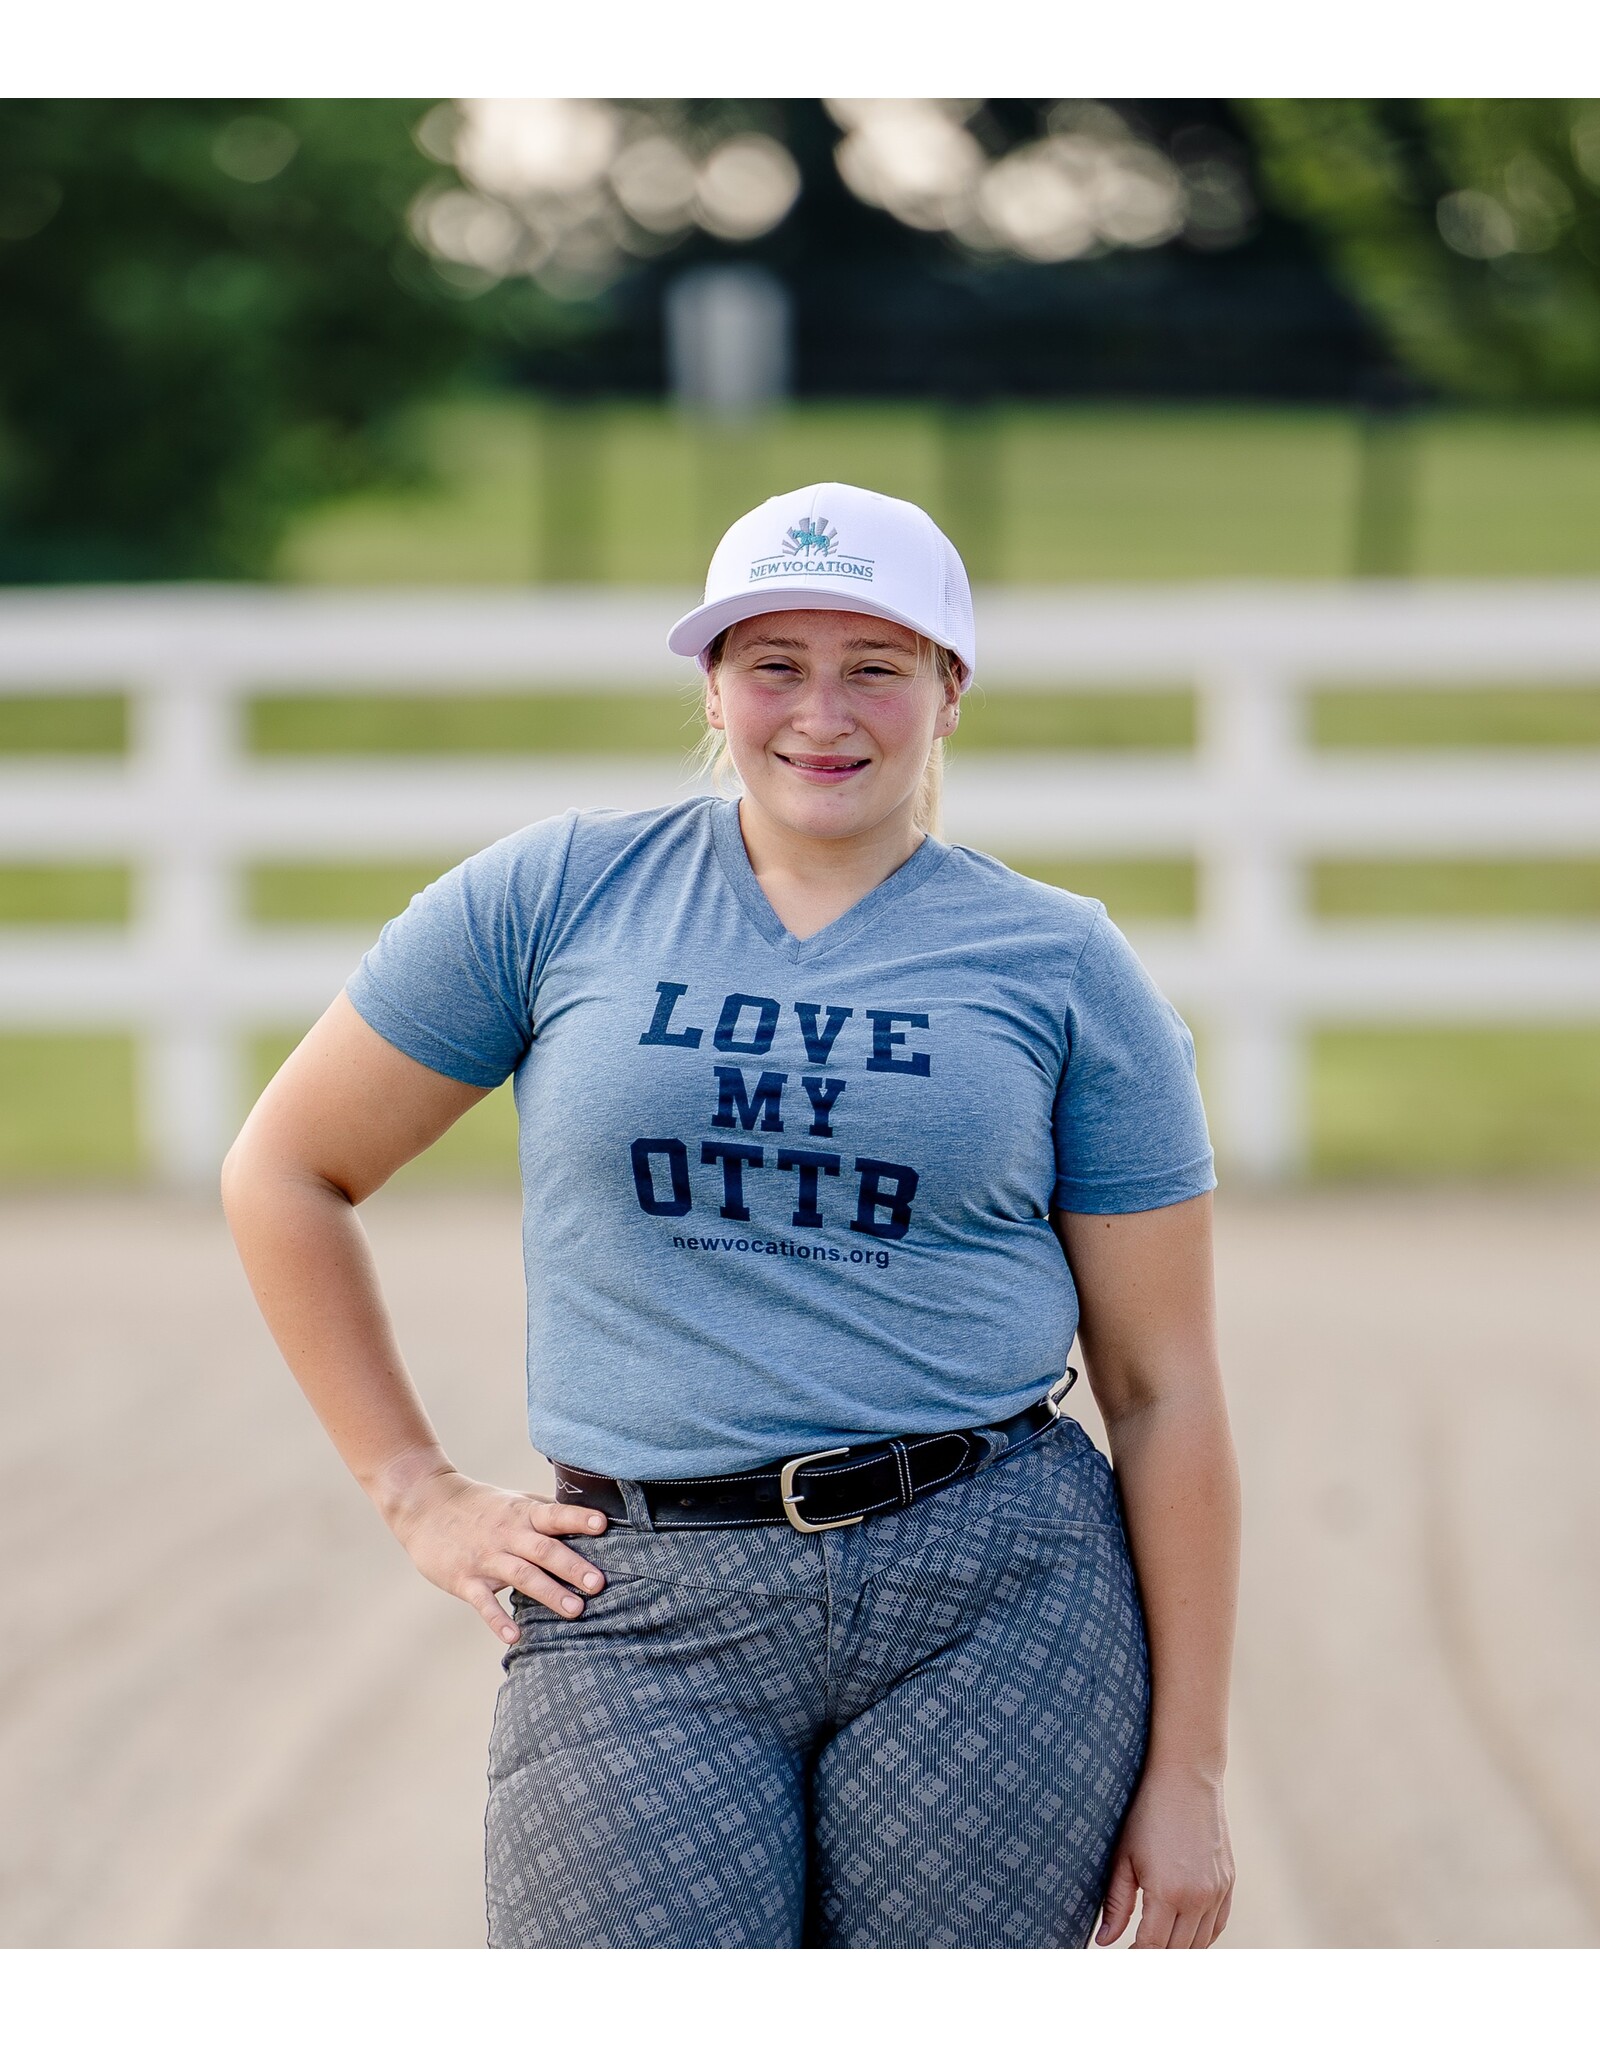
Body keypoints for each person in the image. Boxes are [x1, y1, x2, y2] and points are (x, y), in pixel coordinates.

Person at [222, 480, 1240, 1949]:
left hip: (995, 1592)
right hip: (642, 1595)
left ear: (949, 692)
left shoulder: (1063, 964)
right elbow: (286, 1169)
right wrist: (415, 1492)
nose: (823, 713)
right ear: (713, 684)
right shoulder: (559, 897)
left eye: (876, 666)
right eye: (775, 664)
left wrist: (1189, 1773)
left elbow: (1163, 1388)